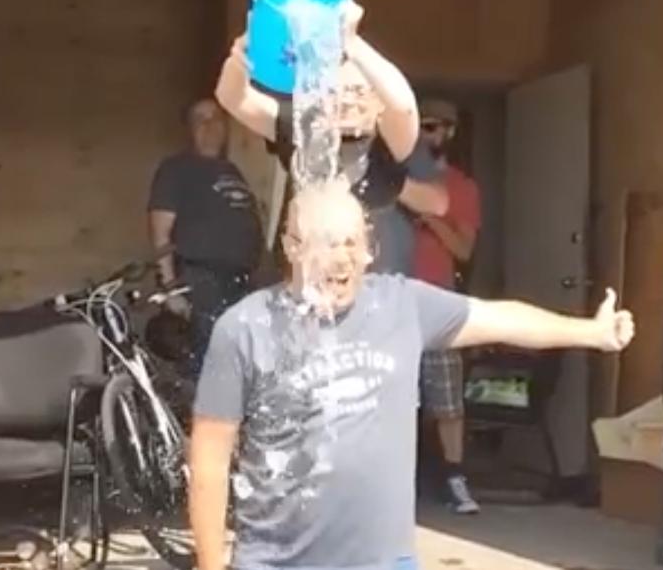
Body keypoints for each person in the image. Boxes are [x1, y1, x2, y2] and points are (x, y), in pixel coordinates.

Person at [189, 180, 635, 570]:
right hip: (277, 562)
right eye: (325, 243)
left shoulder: (402, 305)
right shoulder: (246, 327)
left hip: (386, 561)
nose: (341, 259)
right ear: (292, 248)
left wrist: (592, 332)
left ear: (368, 249)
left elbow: (501, 318)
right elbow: (209, 459)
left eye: (351, 243)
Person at [214, 0, 449, 275]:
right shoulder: (305, 130)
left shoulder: (389, 142)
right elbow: (233, 98)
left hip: (377, 287)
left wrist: (351, 42)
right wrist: (243, 53)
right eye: (340, 92)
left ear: (378, 106)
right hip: (303, 285)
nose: (349, 100)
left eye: (360, 93)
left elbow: (404, 106)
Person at [147, 98, 263, 371]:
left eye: (216, 118)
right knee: (207, 366)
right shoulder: (176, 169)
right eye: (201, 119)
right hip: (200, 282)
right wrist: (170, 289)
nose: (210, 126)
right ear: (190, 128)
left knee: (238, 366)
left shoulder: (232, 170)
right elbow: (159, 233)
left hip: (240, 283)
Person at [411, 98, 483, 514]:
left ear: (450, 133)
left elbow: (464, 250)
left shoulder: (463, 187)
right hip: (394, 299)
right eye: (420, 124)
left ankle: (456, 478)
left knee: (448, 402)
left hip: (440, 300)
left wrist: (429, 218)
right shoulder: (394, 179)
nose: (425, 133)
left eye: (435, 126)